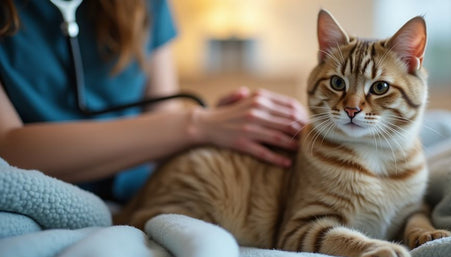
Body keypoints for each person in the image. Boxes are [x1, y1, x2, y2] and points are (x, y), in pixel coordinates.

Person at [0, 0, 307, 202]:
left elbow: (164, 118)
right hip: (39, 200)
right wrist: (197, 124)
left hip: (139, 198)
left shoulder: (146, 5)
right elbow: (8, 148)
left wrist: (221, 126)